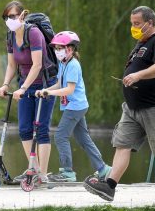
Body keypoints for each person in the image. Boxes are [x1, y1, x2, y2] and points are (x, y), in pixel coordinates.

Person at [84, 6, 155, 203]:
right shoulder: (139, 44)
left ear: (150, 23)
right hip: (132, 108)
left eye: (137, 24)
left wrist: (137, 75)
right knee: (122, 144)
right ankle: (109, 186)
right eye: (132, 23)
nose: (133, 27)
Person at [36, 31, 111, 182]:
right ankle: (103, 169)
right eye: (56, 48)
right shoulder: (63, 63)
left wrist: (50, 93)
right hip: (74, 105)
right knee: (83, 138)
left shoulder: (73, 65)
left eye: (60, 48)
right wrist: (45, 90)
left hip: (75, 106)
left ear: (70, 49)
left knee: (60, 136)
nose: (57, 51)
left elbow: (69, 89)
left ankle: (67, 172)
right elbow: (59, 83)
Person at [0, 0, 56, 183]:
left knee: (42, 129)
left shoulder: (34, 33)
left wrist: (22, 88)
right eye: (7, 17)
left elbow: (37, 65)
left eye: (14, 16)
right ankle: (34, 170)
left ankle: (43, 175)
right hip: (25, 85)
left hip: (45, 85)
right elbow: (12, 64)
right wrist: (6, 84)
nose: (10, 20)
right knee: (24, 129)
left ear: (23, 15)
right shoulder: (10, 36)